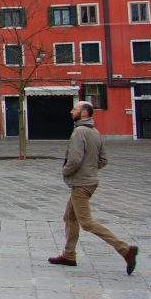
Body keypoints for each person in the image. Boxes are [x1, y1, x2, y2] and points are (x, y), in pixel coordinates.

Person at [49, 101, 138, 274]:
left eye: (75, 109)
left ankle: (125, 249)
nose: (71, 111)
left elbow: (74, 159)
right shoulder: (95, 132)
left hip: (81, 184)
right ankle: (69, 255)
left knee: (87, 222)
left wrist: (66, 172)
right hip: (89, 181)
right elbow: (103, 160)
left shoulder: (79, 132)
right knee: (69, 217)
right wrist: (90, 170)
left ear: (83, 113)